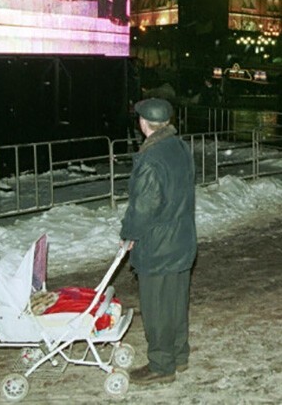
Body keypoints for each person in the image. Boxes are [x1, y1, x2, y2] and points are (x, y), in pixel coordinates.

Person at [119, 99, 196, 385]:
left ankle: (162, 365)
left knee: (157, 308)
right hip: (182, 239)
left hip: (159, 245)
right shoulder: (179, 147)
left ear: (142, 123)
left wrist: (129, 234)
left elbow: (144, 206)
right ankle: (179, 354)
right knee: (176, 302)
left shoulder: (151, 158)